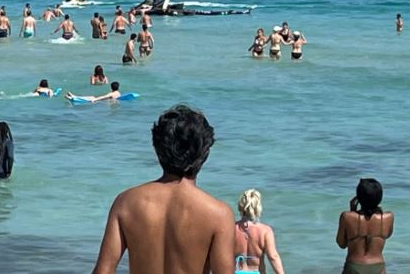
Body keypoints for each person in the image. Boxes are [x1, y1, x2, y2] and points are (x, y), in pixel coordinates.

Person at [91, 105, 234, 274]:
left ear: (157, 149)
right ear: (204, 154)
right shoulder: (218, 214)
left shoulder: (126, 203)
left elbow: (103, 271)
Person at [336, 178, 394, 274]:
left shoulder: (347, 216)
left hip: (354, 266)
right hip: (378, 266)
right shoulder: (388, 217)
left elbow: (341, 244)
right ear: (380, 198)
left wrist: (353, 212)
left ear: (358, 198)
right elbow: (387, 235)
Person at [234, 189, 286, 274]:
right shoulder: (265, 231)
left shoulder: (232, 229)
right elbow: (273, 257)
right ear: (258, 208)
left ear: (241, 206)